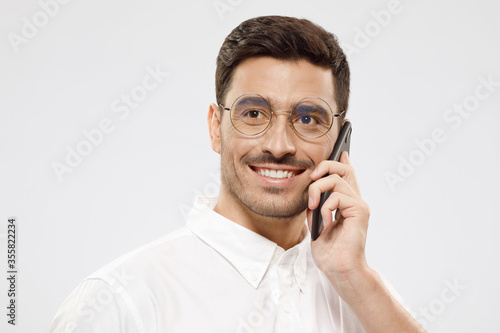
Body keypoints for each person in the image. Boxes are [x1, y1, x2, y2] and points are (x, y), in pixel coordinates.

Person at [50, 15, 426, 332]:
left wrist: (353, 275)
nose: (279, 146)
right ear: (216, 127)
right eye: (253, 114)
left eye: (308, 118)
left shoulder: (363, 296)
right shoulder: (121, 301)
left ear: (340, 140)